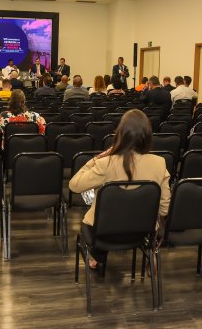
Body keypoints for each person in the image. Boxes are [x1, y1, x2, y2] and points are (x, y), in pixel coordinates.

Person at [69, 109, 171, 269]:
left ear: (121, 134)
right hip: (141, 231)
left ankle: (97, 256)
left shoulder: (107, 163)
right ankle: (151, 253)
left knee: (96, 210)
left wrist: (97, 158)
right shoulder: (160, 163)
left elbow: (74, 185)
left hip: (104, 233)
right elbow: (165, 206)